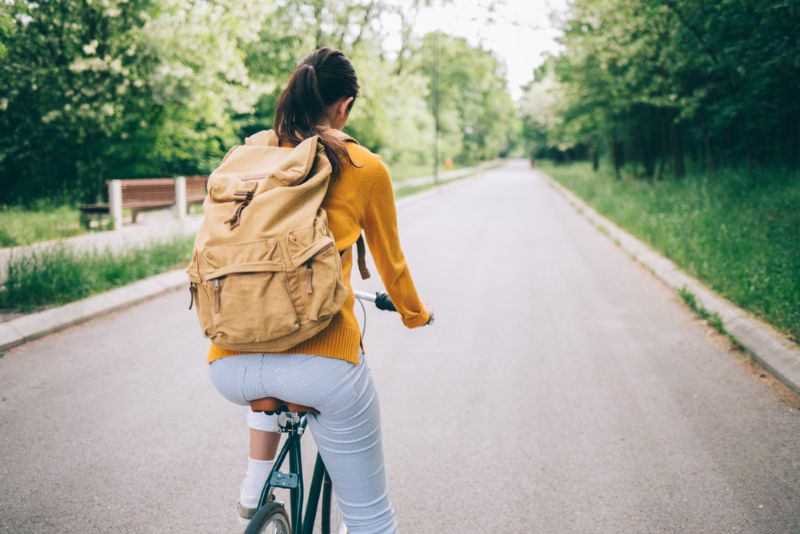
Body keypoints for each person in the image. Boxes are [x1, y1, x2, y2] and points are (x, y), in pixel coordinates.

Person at [207, 47, 433, 534]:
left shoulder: (248, 154)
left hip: (229, 361)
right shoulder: (361, 165)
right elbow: (392, 265)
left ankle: (254, 489)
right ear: (343, 105)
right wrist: (415, 314)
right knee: (371, 517)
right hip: (322, 364)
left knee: (267, 384)